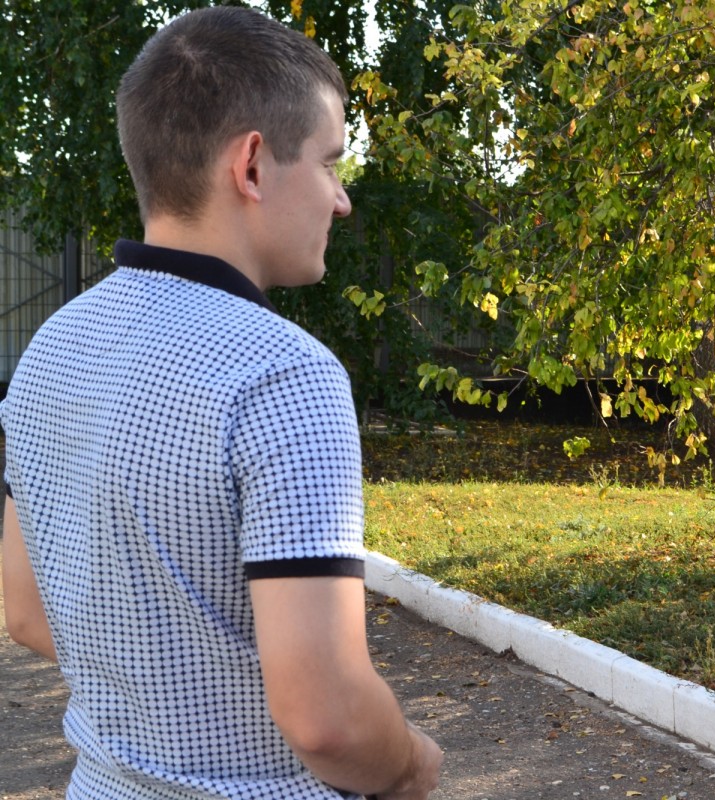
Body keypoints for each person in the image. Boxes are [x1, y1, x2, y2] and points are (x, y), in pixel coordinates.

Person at [0, 7, 442, 799]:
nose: (341, 201)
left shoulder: (48, 352)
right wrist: (410, 764)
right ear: (251, 166)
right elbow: (329, 721)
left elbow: (27, 612)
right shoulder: (282, 376)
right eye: (330, 163)